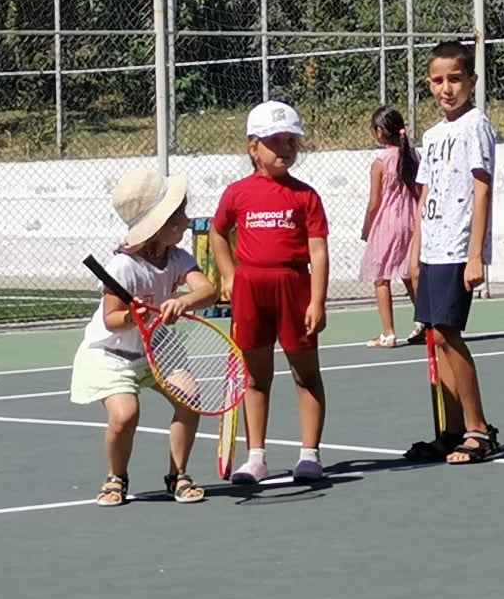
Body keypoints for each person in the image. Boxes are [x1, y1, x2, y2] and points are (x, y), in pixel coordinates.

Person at [71, 168, 218, 506]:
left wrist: (182, 301)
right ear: (163, 223)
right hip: (113, 353)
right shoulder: (123, 268)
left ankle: (178, 475)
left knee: (189, 397)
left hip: (159, 347)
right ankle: (116, 478)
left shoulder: (178, 258)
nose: (186, 219)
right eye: (180, 214)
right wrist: (138, 316)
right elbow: (112, 320)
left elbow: (208, 291)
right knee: (125, 414)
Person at [212, 100, 330, 486]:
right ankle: (256, 458)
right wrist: (228, 275)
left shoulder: (306, 196)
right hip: (250, 290)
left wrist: (317, 299)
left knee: (305, 373)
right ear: (253, 147)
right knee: (255, 377)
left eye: (290, 141)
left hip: (293, 288)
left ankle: (310, 454)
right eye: (274, 141)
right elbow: (218, 233)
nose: (284, 148)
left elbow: (318, 251)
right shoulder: (237, 194)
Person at [405, 40, 500, 464]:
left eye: (455, 79)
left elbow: (482, 188)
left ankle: (478, 429)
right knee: (434, 336)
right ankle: (450, 430)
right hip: (433, 248)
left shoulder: (475, 125)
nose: (447, 88)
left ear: (472, 82)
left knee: (448, 334)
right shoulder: (433, 134)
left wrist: (475, 253)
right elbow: (424, 194)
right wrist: (414, 250)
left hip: (459, 246)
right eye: (438, 80)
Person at [359, 105, 422, 350]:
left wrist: (367, 227)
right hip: (412, 219)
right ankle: (424, 322)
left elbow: (375, 201)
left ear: (380, 132)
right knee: (408, 273)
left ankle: (388, 333)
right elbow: (418, 191)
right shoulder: (412, 156)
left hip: (389, 221)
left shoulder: (381, 161)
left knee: (381, 277)